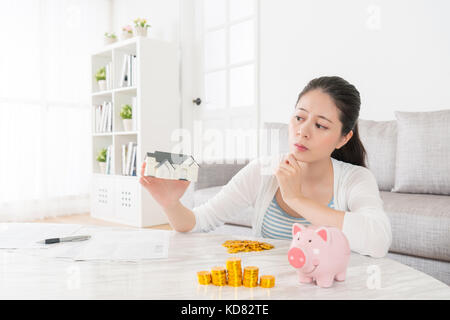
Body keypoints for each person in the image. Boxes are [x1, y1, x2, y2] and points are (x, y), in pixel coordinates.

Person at [139, 76, 392, 258]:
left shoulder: (356, 179)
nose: (302, 131)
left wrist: (296, 197)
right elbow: (199, 222)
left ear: (343, 138)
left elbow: (378, 241)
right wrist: (170, 203)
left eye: (321, 125)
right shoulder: (264, 170)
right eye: (299, 117)